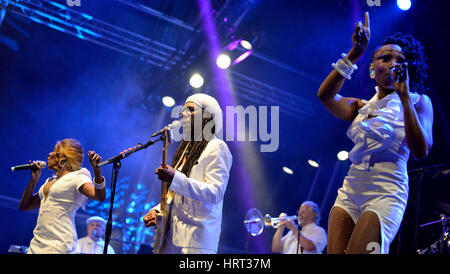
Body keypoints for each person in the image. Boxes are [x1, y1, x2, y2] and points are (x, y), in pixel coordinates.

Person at [317, 12, 433, 254]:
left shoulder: (419, 101)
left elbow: (421, 150)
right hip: (351, 188)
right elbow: (325, 96)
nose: (394, 63)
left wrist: (404, 97)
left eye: (400, 59)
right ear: (372, 68)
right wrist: (355, 53)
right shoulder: (361, 106)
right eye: (386, 57)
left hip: (386, 190)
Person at [142, 93, 233, 254]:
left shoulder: (217, 147)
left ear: (207, 117)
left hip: (196, 241)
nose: (182, 113)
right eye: (183, 109)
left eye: (190, 109)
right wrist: (158, 210)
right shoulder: (185, 148)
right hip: (171, 238)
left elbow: (216, 192)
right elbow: (176, 194)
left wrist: (175, 177)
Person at [19, 138, 107, 254]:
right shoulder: (49, 181)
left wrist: (97, 172)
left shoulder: (78, 176)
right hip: (37, 243)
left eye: (55, 152)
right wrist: (33, 181)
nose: (50, 154)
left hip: (59, 244)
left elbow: (99, 196)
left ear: (63, 158)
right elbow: (24, 206)